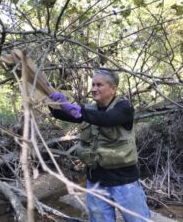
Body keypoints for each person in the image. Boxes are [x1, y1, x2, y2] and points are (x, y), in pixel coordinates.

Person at [49, 69, 151, 222]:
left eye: (99, 85)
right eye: (93, 85)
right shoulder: (90, 109)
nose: (94, 89)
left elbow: (107, 119)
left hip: (124, 182)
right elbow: (62, 114)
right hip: (96, 182)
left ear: (113, 88)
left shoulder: (124, 107)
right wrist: (52, 102)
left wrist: (76, 110)